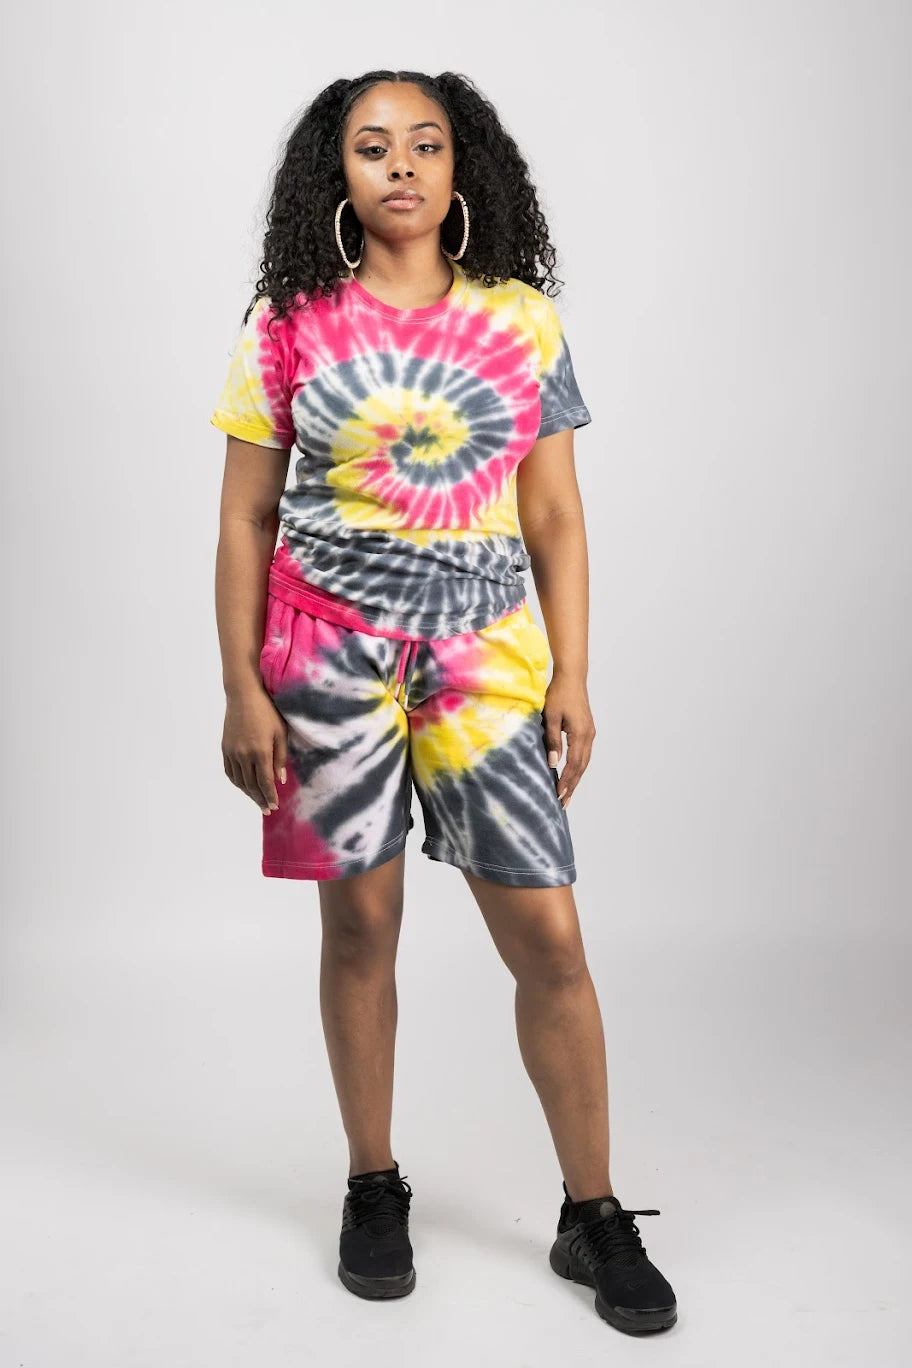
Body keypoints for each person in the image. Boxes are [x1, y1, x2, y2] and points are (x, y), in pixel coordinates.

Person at [210, 69, 677, 1336]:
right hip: (327, 660)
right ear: (338, 173)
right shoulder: (288, 324)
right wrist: (242, 685)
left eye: (426, 143)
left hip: (483, 660)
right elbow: (247, 516)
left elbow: (555, 514)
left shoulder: (521, 320)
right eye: (374, 147)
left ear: (464, 167)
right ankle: (373, 1185)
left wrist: (573, 671)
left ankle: (591, 1214)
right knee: (360, 928)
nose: (402, 165)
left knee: (551, 940)